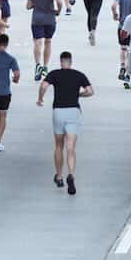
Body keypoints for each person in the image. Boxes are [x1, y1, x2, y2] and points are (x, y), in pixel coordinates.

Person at [37, 52, 93, 196]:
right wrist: (79, 95)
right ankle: (71, 175)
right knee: (70, 148)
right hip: (73, 111)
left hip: (58, 112)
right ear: (71, 62)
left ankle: (59, 176)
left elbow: (43, 86)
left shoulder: (54, 74)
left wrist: (40, 98)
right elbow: (90, 91)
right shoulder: (79, 75)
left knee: (58, 146)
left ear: (61, 62)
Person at [26, 0, 62, 81]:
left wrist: (35, 4)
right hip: (50, 19)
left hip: (37, 19)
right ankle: (45, 66)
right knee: (48, 41)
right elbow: (59, 2)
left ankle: (38, 65)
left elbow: (28, 6)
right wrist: (58, 11)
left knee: (37, 42)